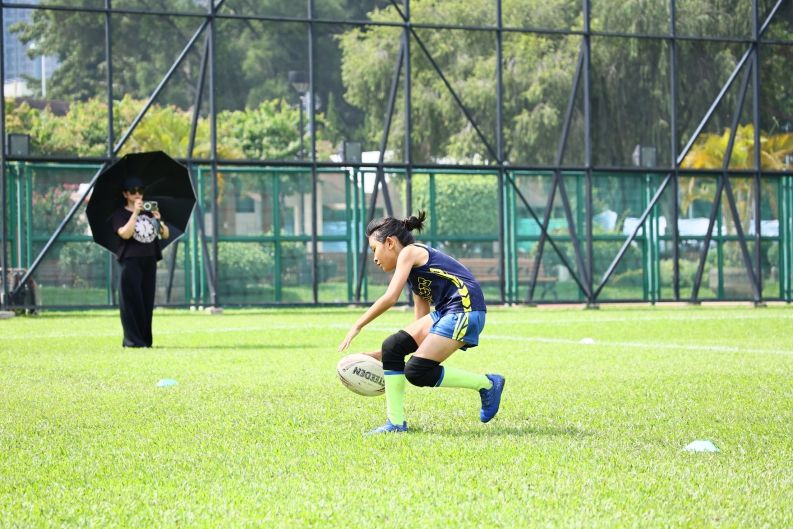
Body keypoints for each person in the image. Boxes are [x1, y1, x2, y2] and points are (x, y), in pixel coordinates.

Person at [338, 211, 505, 434]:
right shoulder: (413, 273)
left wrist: (357, 325)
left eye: (374, 249)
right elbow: (420, 323)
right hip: (447, 312)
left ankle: (487, 384)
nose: (375, 258)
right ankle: (395, 423)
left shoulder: (409, 252)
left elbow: (390, 297)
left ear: (390, 243)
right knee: (393, 346)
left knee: (416, 372)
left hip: (465, 310)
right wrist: (381, 354)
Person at [112, 175, 169, 348]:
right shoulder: (120, 214)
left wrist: (158, 219)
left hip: (149, 259)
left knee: (146, 300)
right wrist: (135, 213)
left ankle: (145, 340)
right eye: (132, 191)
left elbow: (165, 234)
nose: (137, 194)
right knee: (131, 301)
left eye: (140, 190)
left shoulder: (149, 212)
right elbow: (125, 234)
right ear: (125, 194)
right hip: (130, 260)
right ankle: (132, 341)